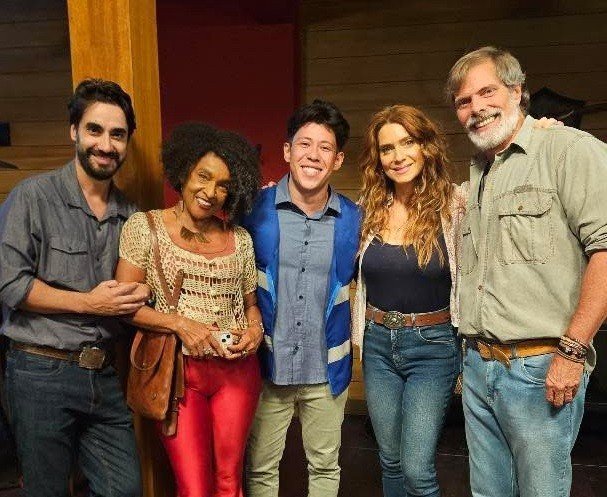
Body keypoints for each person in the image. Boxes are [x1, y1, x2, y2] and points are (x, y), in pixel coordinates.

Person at [446, 46, 607, 496]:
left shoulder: (569, 150)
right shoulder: (480, 172)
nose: (476, 107)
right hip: (479, 367)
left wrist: (572, 353)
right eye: (464, 101)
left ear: (517, 91)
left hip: (540, 369)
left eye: (487, 92)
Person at [0, 79, 147, 497]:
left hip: (103, 373)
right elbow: (10, 284)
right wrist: (91, 303)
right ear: (74, 131)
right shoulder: (34, 196)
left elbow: (132, 294)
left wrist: (143, 296)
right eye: (94, 130)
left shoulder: (131, 215)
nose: (106, 144)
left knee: (124, 489)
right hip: (39, 370)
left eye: (117, 134)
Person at [115, 123, 262, 497]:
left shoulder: (240, 239)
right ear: (183, 173)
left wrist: (255, 330)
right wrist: (180, 323)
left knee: (229, 482)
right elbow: (124, 308)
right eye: (203, 176)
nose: (211, 192)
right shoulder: (144, 227)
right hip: (179, 375)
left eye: (223, 185)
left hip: (237, 373)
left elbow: (251, 305)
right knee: (194, 489)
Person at [243, 100, 360, 497]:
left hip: (326, 369)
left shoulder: (354, 219)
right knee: (261, 468)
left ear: (338, 160)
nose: (313, 155)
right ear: (287, 151)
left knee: (325, 467)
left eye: (325, 147)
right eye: (304, 144)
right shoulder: (253, 210)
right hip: (268, 366)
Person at [351, 105, 466, 497]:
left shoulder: (456, 204)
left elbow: (498, 179)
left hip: (433, 347)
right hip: (377, 343)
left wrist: (543, 130)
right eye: (387, 148)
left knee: (417, 470)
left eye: (407, 143)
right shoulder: (368, 209)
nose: (397, 156)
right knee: (390, 461)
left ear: (426, 146)